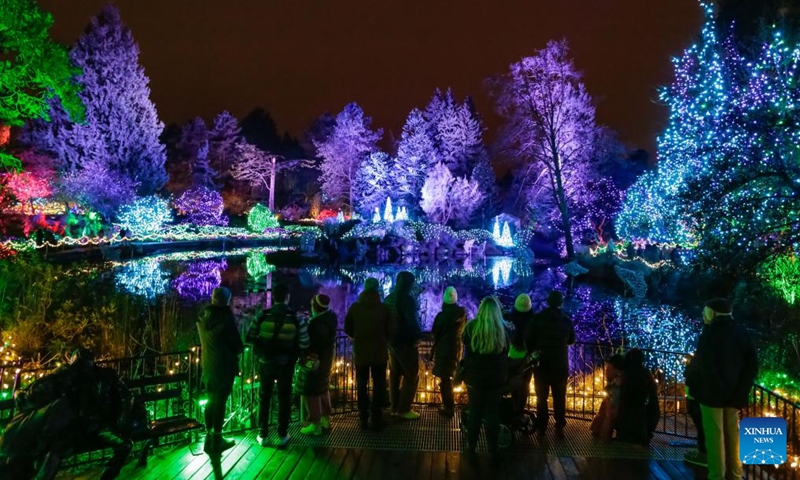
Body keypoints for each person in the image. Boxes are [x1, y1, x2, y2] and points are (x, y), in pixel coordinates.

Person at [0, 348, 133, 480]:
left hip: (98, 426)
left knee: (124, 445)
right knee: (54, 450)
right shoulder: (66, 375)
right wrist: (22, 392)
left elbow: (126, 396)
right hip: (76, 428)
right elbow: (40, 388)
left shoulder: (106, 376)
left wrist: (122, 420)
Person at [688, 298, 757, 480]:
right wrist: (741, 389)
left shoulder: (709, 335)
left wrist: (699, 388)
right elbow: (752, 365)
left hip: (712, 395)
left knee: (714, 437)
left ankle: (716, 475)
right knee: (733, 435)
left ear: (711, 313)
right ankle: (735, 474)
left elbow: (706, 366)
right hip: (735, 394)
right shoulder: (742, 332)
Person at [247, 283, 309, 447]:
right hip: (286, 364)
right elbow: (304, 343)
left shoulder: (262, 315)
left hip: (266, 363)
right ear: (287, 298)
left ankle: (263, 434)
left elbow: (250, 336)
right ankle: (282, 434)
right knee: (284, 397)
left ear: (274, 297)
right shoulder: (295, 318)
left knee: (264, 398)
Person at [461, 297, 511, 465]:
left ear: (481, 309)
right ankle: (492, 450)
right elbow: (506, 352)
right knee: (492, 413)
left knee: (474, 412)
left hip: (475, 377)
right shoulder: (504, 329)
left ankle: (471, 449)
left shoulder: (471, 328)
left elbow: (466, 349)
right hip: (496, 378)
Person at [197, 287, 244, 457]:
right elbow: (236, 344)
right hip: (224, 365)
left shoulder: (203, 315)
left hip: (207, 364)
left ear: (212, 297)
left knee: (210, 400)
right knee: (220, 402)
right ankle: (217, 439)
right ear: (227, 300)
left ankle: (209, 436)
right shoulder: (225, 318)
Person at [344, 278, 395, 431]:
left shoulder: (355, 308)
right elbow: (391, 330)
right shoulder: (384, 309)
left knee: (361, 385)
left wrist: (357, 337)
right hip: (379, 353)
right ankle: (376, 418)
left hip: (361, 353)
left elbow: (347, 329)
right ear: (377, 289)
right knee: (379, 385)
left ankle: (363, 417)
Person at [524, 290, 575, 437]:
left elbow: (528, 337)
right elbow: (571, 339)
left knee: (541, 396)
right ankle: (559, 424)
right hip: (560, 363)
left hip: (542, 363)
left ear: (547, 301)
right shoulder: (566, 320)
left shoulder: (538, 319)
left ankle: (542, 426)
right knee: (559, 395)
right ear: (561, 303)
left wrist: (533, 350)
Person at [297, 294, 337, 436]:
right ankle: (326, 418)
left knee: (310, 390)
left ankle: (315, 424)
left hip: (314, 361)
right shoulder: (330, 320)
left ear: (315, 306)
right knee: (323, 388)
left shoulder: (316, 324)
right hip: (326, 361)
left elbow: (311, 345)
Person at [384, 271, 422, 420]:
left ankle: (394, 407)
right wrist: (417, 337)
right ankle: (404, 409)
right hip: (405, 342)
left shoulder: (388, 298)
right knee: (411, 374)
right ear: (409, 284)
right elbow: (411, 321)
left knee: (394, 374)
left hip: (391, 342)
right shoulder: (407, 300)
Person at [431, 286, 467, 418]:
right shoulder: (462, 315)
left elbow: (434, 333)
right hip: (457, 348)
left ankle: (449, 408)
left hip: (444, 349)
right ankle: (453, 405)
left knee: (445, 379)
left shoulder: (441, 316)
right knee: (452, 375)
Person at [615, 348, 660, 446]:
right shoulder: (645, 374)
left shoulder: (628, 375)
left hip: (631, 411)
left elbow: (624, 396)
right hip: (644, 411)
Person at [505, 293, 535, 417]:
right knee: (525, 384)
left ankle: (511, 408)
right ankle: (519, 410)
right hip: (527, 358)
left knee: (511, 382)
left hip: (511, 356)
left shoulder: (509, 318)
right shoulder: (534, 320)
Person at [590, 354, 625, 440]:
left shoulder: (618, 379)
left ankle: (602, 433)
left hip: (614, 400)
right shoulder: (619, 377)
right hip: (614, 397)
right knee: (606, 408)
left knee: (608, 413)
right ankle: (600, 432)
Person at [683, 351, 708, 468]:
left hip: (694, 399)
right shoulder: (707, 365)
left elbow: (687, 375)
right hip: (701, 399)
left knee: (701, 427)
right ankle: (705, 451)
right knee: (704, 427)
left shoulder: (694, 366)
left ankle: (703, 451)